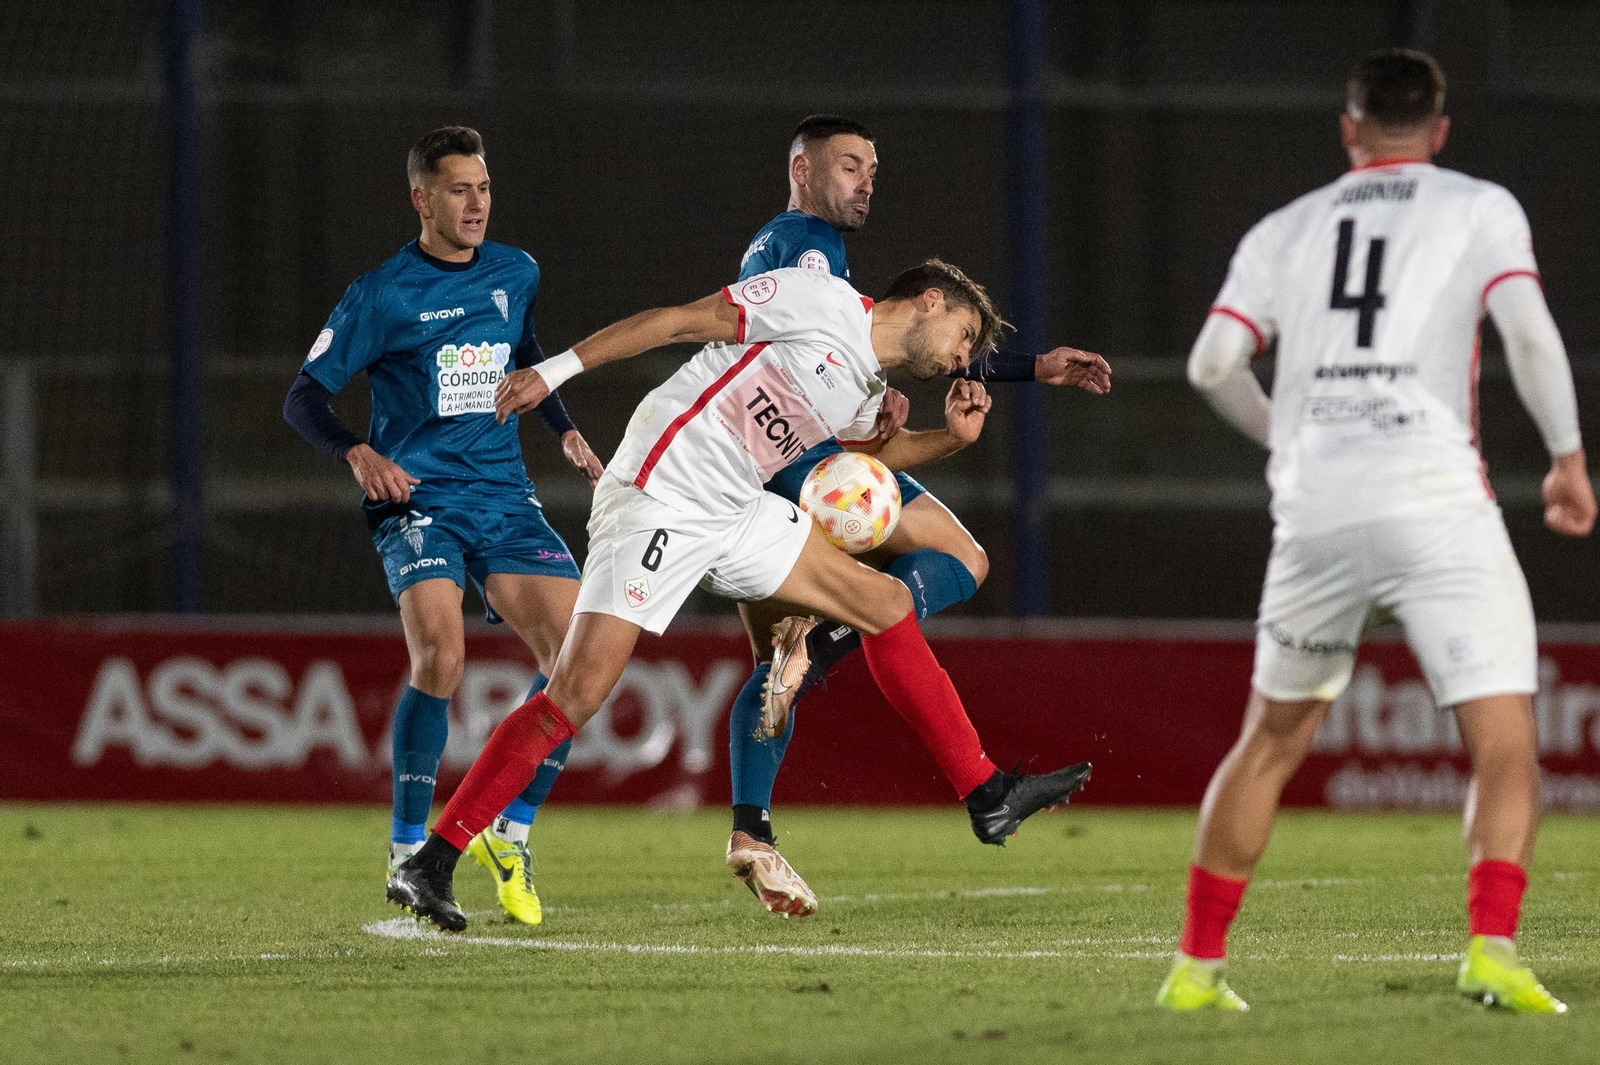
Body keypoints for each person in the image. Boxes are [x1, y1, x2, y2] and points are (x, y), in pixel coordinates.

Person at [385, 260, 1094, 932]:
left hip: (737, 510)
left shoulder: (865, 389)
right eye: (965, 334)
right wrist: (555, 370)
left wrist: (949, 441)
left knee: (887, 604)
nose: (960, 357)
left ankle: (987, 793)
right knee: (576, 693)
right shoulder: (818, 300)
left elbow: (849, 465)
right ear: (931, 299)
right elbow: (675, 322)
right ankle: (433, 859)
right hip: (662, 494)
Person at [1158, 49, 1594, 1013]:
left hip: (1316, 508)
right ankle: (1490, 949)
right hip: (1435, 498)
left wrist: (1288, 439)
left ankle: (1195, 969)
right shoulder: (1480, 206)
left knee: (1268, 742)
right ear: (1439, 131)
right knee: (1506, 740)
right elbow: (1526, 334)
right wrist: (1566, 454)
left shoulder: (1286, 228)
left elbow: (1210, 363)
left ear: (1349, 129)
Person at [282, 126, 604, 928]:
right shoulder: (381, 293)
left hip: (503, 493)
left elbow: (523, 350)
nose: (476, 203)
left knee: (579, 657)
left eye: (485, 187)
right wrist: (357, 452)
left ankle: (510, 827)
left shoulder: (516, 270)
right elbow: (304, 397)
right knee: (442, 652)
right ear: (421, 198)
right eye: (459, 189)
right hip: (417, 496)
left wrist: (560, 423)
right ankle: (405, 851)